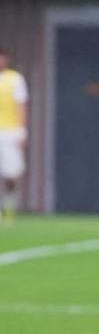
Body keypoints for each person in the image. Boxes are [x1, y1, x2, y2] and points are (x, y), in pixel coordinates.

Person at [0, 46, 29, 223]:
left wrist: (22, 131)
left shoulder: (15, 79)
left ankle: (9, 206)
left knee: (11, 173)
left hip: (10, 132)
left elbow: (21, 106)